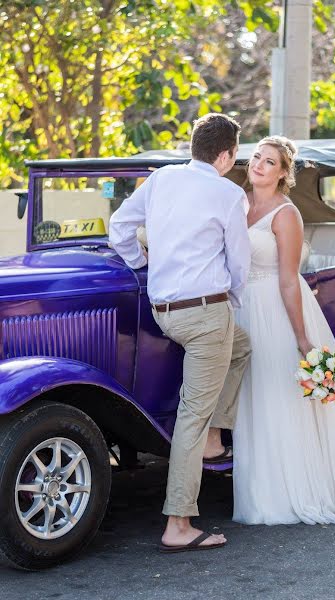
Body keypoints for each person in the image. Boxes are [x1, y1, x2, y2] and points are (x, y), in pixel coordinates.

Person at [232, 135, 335, 525]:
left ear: (284, 173)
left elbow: (289, 280)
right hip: (241, 307)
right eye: (256, 157)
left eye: (269, 161)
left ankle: (288, 491)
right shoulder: (239, 203)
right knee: (250, 398)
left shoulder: (286, 214)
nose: (258, 165)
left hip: (275, 308)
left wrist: (304, 339)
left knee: (276, 395)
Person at [109, 113, 252, 551]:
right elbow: (239, 265)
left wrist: (141, 265)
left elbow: (119, 229)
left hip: (164, 312)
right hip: (206, 315)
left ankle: (213, 439)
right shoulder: (229, 194)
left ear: (194, 145)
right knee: (193, 416)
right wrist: (232, 302)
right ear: (226, 155)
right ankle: (179, 524)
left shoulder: (161, 179)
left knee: (243, 348)